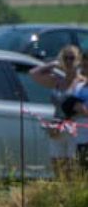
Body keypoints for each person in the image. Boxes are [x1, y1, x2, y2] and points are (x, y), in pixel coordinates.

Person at [29, 45, 86, 178]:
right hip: (57, 127)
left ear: (78, 60)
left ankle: (72, 194)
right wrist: (53, 64)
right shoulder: (58, 80)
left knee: (73, 166)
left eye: (71, 58)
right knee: (57, 164)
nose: (68, 61)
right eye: (65, 58)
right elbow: (33, 73)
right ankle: (61, 194)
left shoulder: (82, 82)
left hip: (74, 127)